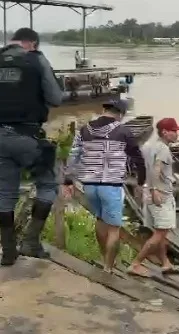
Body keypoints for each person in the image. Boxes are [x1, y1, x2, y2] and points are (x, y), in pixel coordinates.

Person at [0, 28, 63, 266]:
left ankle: (7, 251)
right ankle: (31, 241)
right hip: (27, 136)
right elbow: (56, 98)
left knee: (4, 194)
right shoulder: (36, 59)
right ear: (33, 43)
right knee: (48, 184)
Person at [63, 99, 146, 273]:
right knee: (114, 229)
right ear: (121, 114)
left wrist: (68, 181)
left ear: (104, 110)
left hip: (90, 186)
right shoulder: (123, 131)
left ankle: (104, 260)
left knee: (100, 221)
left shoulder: (84, 130)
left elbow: (73, 156)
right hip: (111, 185)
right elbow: (138, 159)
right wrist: (140, 182)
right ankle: (108, 268)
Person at [127, 117, 179, 277]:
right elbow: (156, 169)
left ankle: (165, 263)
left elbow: (141, 166)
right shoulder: (163, 150)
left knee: (161, 232)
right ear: (165, 132)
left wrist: (141, 186)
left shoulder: (147, 146)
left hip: (148, 193)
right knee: (160, 234)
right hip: (161, 195)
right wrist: (155, 190)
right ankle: (136, 263)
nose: (177, 134)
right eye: (174, 131)